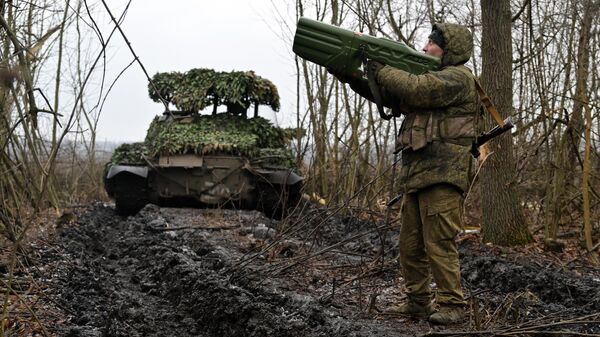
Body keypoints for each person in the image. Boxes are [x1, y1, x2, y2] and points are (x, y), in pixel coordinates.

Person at [331, 23, 477, 325]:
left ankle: (452, 305)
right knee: (410, 245)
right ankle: (418, 302)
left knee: (439, 243)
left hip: (444, 174)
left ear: (449, 50)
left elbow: (415, 88)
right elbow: (390, 95)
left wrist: (381, 67)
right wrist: (350, 75)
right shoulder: (431, 79)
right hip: (419, 174)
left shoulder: (458, 78)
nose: (425, 47)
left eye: (432, 43)